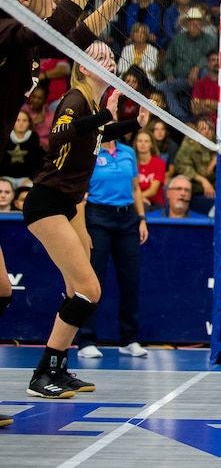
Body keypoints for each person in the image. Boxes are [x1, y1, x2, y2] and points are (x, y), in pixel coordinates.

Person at [23, 40, 148, 398]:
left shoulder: (91, 104)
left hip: (66, 205)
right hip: (47, 203)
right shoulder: (76, 99)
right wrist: (106, 116)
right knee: (89, 290)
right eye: (100, 57)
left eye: (111, 55)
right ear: (82, 66)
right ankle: (42, 373)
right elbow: (59, 135)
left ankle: (58, 368)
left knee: (73, 291)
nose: (109, 60)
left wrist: (131, 123)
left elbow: (95, 135)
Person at [76, 133, 150, 360]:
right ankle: (86, 340)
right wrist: (82, 229)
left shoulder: (128, 152)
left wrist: (142, 219)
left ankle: (129, 339)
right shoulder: (91, 150)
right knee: (93, 279)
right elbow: (79, 193)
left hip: (127, 218)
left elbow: (136, 188)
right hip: (98, 217)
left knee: (131, 279)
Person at [159, 7, 216, 121]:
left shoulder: (209, 39)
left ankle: (201, 112)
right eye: (192, 23)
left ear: (202, 25)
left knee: (205, 71)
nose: (195, 26)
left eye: (198, 23)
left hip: (201, 79)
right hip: (181, 79)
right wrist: (169, 74)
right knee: (161, 87)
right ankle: (180, 117)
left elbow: (211, 57)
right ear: (186, 25)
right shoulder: (178, 39)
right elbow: (169, 60)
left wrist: (197, 67)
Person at [1, 109, 46, 187]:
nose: (21, 123)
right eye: (18, 120)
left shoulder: (34, 137)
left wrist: (31, 179)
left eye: (24, 120)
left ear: (29, 123)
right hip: (5, 178)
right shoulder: (5, 136)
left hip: (26, 179)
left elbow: (35, 161)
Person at [133, 130, 166, 210]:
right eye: (140, 141)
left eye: (146, 141)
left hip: (155, 204)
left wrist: (138, 198)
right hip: (136, 202)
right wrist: (138, 200)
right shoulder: (131, 163)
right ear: (136, 143)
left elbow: (153, 190)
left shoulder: (159, 163)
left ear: (151, 144)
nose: (142, 144)